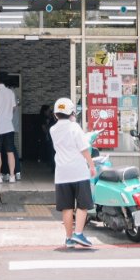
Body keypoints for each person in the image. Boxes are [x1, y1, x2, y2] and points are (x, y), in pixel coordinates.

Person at [49, 96, 96, 249]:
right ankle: (79, 233)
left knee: (67, 207)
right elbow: (84, 148)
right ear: (72, 113)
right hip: (78, 171)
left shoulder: (53, 129)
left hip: (62, 173)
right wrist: (92, 165)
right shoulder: (74, 127)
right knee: (83, 205)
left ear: (56, 114)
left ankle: (69, 238)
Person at [0, 73, 21, 182]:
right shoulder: (10, 92)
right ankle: (12, 176)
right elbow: (14, 108)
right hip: (9, 126)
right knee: (10, 151)